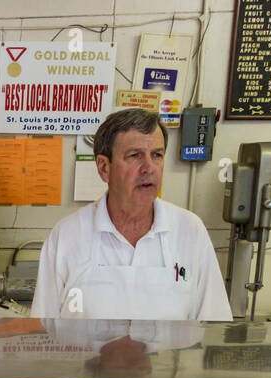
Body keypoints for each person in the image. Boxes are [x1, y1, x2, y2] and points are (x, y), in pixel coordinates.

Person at [31, 108, 232, 324]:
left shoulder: (190, 230)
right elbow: (43, 330)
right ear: (104, 167)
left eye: (157, 155)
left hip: (168, 358)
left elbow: (214, 326)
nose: (149, 168)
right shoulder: (67, 235)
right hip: (86, 358)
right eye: (135, 156)